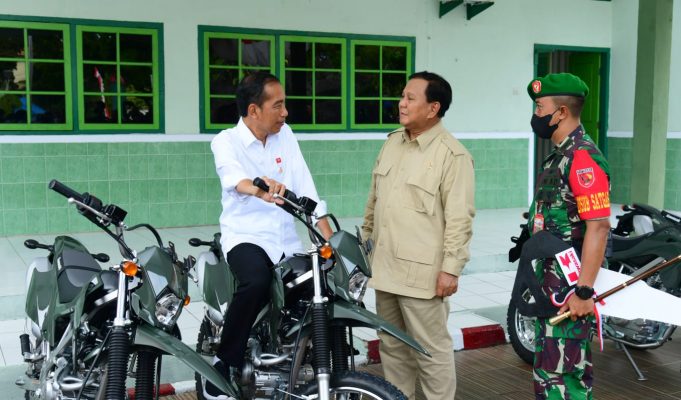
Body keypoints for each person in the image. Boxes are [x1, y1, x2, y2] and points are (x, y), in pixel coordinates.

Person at [207, 71, 333, 400]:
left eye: (284, 104)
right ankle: (224, 361)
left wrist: (329, 240)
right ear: (254, 110)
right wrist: (258, 189)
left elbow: (306, 188)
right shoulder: (225, 141)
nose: (285, 112)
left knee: (320, 287)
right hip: (245, 236)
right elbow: (234, 179)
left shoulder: (285, 135)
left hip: (285, 239)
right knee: (257, 282)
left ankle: (309, 363)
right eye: (278, 105)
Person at [362, 71, 475, 400]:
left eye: (411, 98)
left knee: (431, 352)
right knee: (392, 348)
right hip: (386, 269)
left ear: (433, 108)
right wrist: (365, 248)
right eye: (402, 96)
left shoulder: (452, 155)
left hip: (423, 277)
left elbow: (460, 218)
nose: (402, 103)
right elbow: (374, 203)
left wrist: (451, 269)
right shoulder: (392, 142)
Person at [526, 73, 611, 399]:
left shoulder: (582, 158)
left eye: (540, 107)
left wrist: (584, 291)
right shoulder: (560, 155)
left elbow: (598, 226)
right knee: (549, 374)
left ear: (561, 112)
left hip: (570, 286)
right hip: (551, 282)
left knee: (564, 377)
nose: (536, 114)